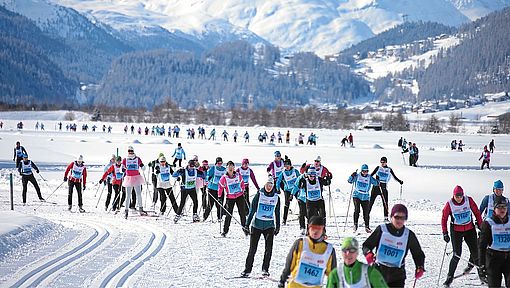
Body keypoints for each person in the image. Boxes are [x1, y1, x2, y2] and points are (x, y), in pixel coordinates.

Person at [362, 204, 425, 288]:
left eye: (403, 218)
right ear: (391, 217)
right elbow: (366, 245)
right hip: (378, 272)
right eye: (397, 217)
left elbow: (418, 254)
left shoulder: (408, 235)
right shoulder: (382, 230)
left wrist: (420, 267)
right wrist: (368, 254)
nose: (399, 220)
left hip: (397, 276)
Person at [441, 186, 484, 287]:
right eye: (457, 196)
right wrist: (445, 233)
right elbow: (444, 218)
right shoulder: (449, 204)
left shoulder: (468, 200)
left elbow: (477, 213)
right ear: (454, 195)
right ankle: (449, 278)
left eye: (460, 196)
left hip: (469, 229)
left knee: (476, 253)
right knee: (457, 254)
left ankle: (482, 276)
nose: (459, 198)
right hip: (456, 231)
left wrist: (481, 226)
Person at [278, 215, 337, 288]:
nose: (315, 231)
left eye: (318, 228)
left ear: (323, 230)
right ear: (309, 228)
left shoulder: (329, 250)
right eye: (313, 228)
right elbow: (289, 265)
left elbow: (332, 274)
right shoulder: (300, 243)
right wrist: (282, 280)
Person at [241, 175, 281, 278]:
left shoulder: (276, 197)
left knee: (269, 249)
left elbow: (277, 213)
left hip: (269, 226)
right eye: (268, 184)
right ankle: (247, 270)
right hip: (257, 225)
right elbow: (252, 210)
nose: (269, 186)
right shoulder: (259, 194)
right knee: (252, 249)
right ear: (265, 184)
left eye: (271, 185)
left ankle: (265, 269)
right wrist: (247, 224)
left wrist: (278, 226)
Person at [479, 196, 510, 287]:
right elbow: (482, 246)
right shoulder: (488, 224)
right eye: (499, 207)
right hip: (493, 259)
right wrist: (482, 265)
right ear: (494, 209)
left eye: (504, 207)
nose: (502, 209)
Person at [370, 157, 403, 222]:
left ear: (386, 162)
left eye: (383, 162)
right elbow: (370, 176)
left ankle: (385, 217)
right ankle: (366, 216)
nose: (382, 163)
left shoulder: (389, 169)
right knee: (371, 202)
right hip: (376, 187)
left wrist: (399, 181)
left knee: (385, 203)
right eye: (381, 162)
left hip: (384, 187)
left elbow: (394, 177)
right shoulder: (378, 168)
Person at [218, 161, 247, 236]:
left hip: (239, 196)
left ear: (234, 167)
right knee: (228, 215)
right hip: (230, 198)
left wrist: (244, 190)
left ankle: (246, 229)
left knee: (242, 213)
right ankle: (225, 231)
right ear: (227, 168)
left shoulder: (238, 175)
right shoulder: (224, 178)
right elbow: (220, 187)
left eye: (232, 166)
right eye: (229, 167)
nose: (231, 168)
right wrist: (219, 197)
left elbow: (242, 183)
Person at [348, 164, 379, 233]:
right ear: (361, 171)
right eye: (364, 171)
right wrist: (352, 176)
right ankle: (355, 225)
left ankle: (367, 227)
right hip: (357, 195)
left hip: (365, 197)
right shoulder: (357, 176)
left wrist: (378, 180)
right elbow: (349, 181)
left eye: (366, 171)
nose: (365, 172)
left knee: (366, 212)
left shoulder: (369, 177)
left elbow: (376, 183)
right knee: (357, 210)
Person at [121, 146, 147, 218]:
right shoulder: (125, 159)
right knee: (128, 195)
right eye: (129, 151)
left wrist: (142, 166)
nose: (130, 152)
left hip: (136, 178)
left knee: (138, 194)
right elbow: (121, 168)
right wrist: (122, 170)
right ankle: (126, 210)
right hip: (129, 178)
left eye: (131, 151)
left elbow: (143, 166)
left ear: (133, 151)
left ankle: (141, 209)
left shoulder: (137, 159)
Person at [276, 156, 300, 225]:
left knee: (300, 202)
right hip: (288, 190)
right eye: (285, 166)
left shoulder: (295, 171)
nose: (286, 167)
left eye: (288, 165)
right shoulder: (283, 173)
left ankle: (302, 216)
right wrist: (278, 189)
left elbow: (300, 178)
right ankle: (284, 219)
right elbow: (278, 181)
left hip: (296, 189)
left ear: (290, 165)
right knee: (287, 204)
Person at [203, 157, 226, 221]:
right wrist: (208, 180)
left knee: (219, 204)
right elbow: (207, 176)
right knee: (210, 204)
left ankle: (219, 218)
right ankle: (204, 217)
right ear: (216, 163)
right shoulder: (213, 168)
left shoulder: (224, 169)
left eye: (221, 163)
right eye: (218, 163)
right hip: (212, 188)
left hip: (220, 189)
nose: (219, 164)